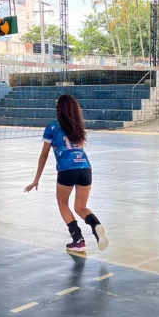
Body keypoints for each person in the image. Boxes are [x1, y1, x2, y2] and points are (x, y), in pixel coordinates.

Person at [25, 94, 109, 254]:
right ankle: (95, 224)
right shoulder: (77, 127)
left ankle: (78, 240)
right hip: (85, 168)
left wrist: (36, 179)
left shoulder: (52, 127)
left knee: (63, 204)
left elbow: (44, 154)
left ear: (59, 110)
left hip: (66, 170)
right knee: (81, 207)